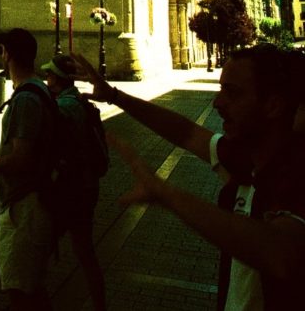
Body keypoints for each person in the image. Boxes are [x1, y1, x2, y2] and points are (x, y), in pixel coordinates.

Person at [75, 45, 305, 310]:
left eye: (232, 92)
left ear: (273, 105)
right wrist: (115, 96)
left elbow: (281, 254)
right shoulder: (244, 160)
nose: (217, 102)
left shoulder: (296, 173)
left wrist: (168, 194)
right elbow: (187, 133)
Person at [0, 28, 58, 310]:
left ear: (8, 55)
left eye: (2, 50)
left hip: (25, 206)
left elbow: (22, 158)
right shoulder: (37, 91)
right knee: (31, 288)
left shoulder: (27, 99)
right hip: (30, 201)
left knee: (21, 292)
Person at [41, 55, 106, 311]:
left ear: (57, 78)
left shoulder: (64, 107)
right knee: (85, 251)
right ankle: (100, 303)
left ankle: (31, 300)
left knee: (39, 249)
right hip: (86, 185)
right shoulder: (79, 101)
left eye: (49, 76)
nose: (47, 80)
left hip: (68, 189)